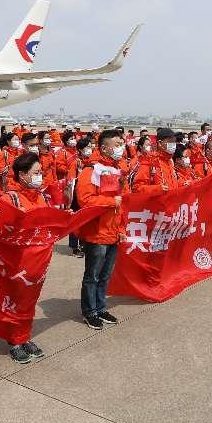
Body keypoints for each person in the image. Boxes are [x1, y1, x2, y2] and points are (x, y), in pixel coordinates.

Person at [1, 152, 51, 363]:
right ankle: (14, 340)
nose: (40, 176)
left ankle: (25, 336)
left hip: (39, 259)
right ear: (22, 175)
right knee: (16, 301)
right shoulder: (9, 198)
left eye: (41, 172)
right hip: (19, 261)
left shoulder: (39, 195)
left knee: (30, 301)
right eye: (36, 173)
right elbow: (0, 230)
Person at [75, 130, 128, 329]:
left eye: (122, 143)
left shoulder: (116, 169)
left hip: (113, 232)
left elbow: (122, 204)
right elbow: (85, 200)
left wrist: (122, 227)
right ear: (104, 147)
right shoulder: (91, 170)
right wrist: (110, 201)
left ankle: (100, 307)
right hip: (96, 233)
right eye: (117, 143)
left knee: (105, 275)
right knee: (93, 275)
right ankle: (89, 311)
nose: (121, 147)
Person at [131, 128, 179, 193]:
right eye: (170, 142)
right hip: (156, 202)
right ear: (159, 143)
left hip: (171, 201)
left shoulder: (170, 161)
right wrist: (157, 189)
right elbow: (137, 188)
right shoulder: (150, 161)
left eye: (174, 142)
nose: (173, 145)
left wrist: (183, 184)